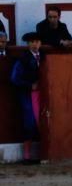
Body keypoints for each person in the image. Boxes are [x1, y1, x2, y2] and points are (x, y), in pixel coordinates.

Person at [10, 32, 43, 163]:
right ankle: (27, 156)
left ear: (40, 43)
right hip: (28, 94)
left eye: (37, 41)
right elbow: (14, 78)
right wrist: (30, 86)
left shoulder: (44, 57)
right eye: (32, 42)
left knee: (44, 122)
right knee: (29, 123)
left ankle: (43, 154)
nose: (35, 44)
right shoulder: (22, 59)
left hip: (44, 94)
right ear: (28, 44)